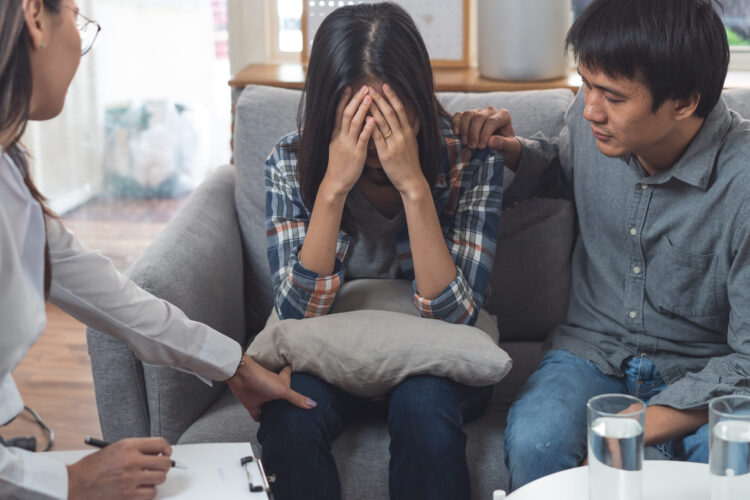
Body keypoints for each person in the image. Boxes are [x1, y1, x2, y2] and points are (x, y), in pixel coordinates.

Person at [0, 1, 316, 499]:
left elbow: (113, 300)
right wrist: (70, 480)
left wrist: (233, 365)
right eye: (79, 22)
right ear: (35, 17)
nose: (82, 46)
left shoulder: (8, 175)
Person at [453, 0, 750, 491]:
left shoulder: (741, 182)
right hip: (591, 352)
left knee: (729, 463)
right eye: (586, 85)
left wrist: (642, 423)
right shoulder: (595, 126)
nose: (591, 109)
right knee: (536, 441)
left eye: (612, 96)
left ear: (683, 102)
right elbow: (560, 166)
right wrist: (514, 153)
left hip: (705, 371)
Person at [258, 3, 503, 499]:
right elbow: (294, 315)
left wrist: (413, 185)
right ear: (327, 108)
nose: (372, 133)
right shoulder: (289, 159)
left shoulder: (470, 158)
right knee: (289, 416)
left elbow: (454, 317)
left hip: (433, 362)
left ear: (419, 100)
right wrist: (332, 189)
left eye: (389, 112)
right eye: (354, 115)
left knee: (424, 408)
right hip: (329, 357)